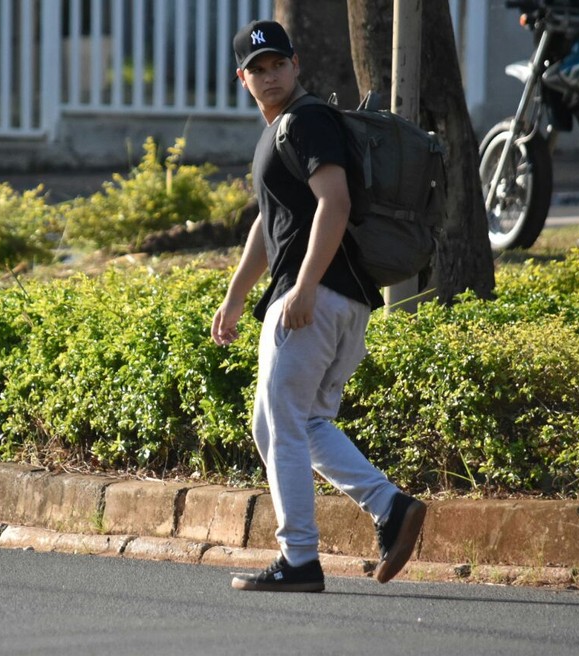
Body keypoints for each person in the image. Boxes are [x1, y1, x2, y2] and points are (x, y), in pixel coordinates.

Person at [211, 19, 426, 592]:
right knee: (289, 423)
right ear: (243, 79)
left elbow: (335, 201)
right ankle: (391, 507)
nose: (269, 74)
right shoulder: (279, 131)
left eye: (278, 63)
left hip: (315, 297)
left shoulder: (307, 121)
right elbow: (270, 221)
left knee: (284, 425)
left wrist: (302, 288)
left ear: (296, 63)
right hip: (340, 298)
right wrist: (235, 298)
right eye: (257, 69)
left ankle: (300, 560)